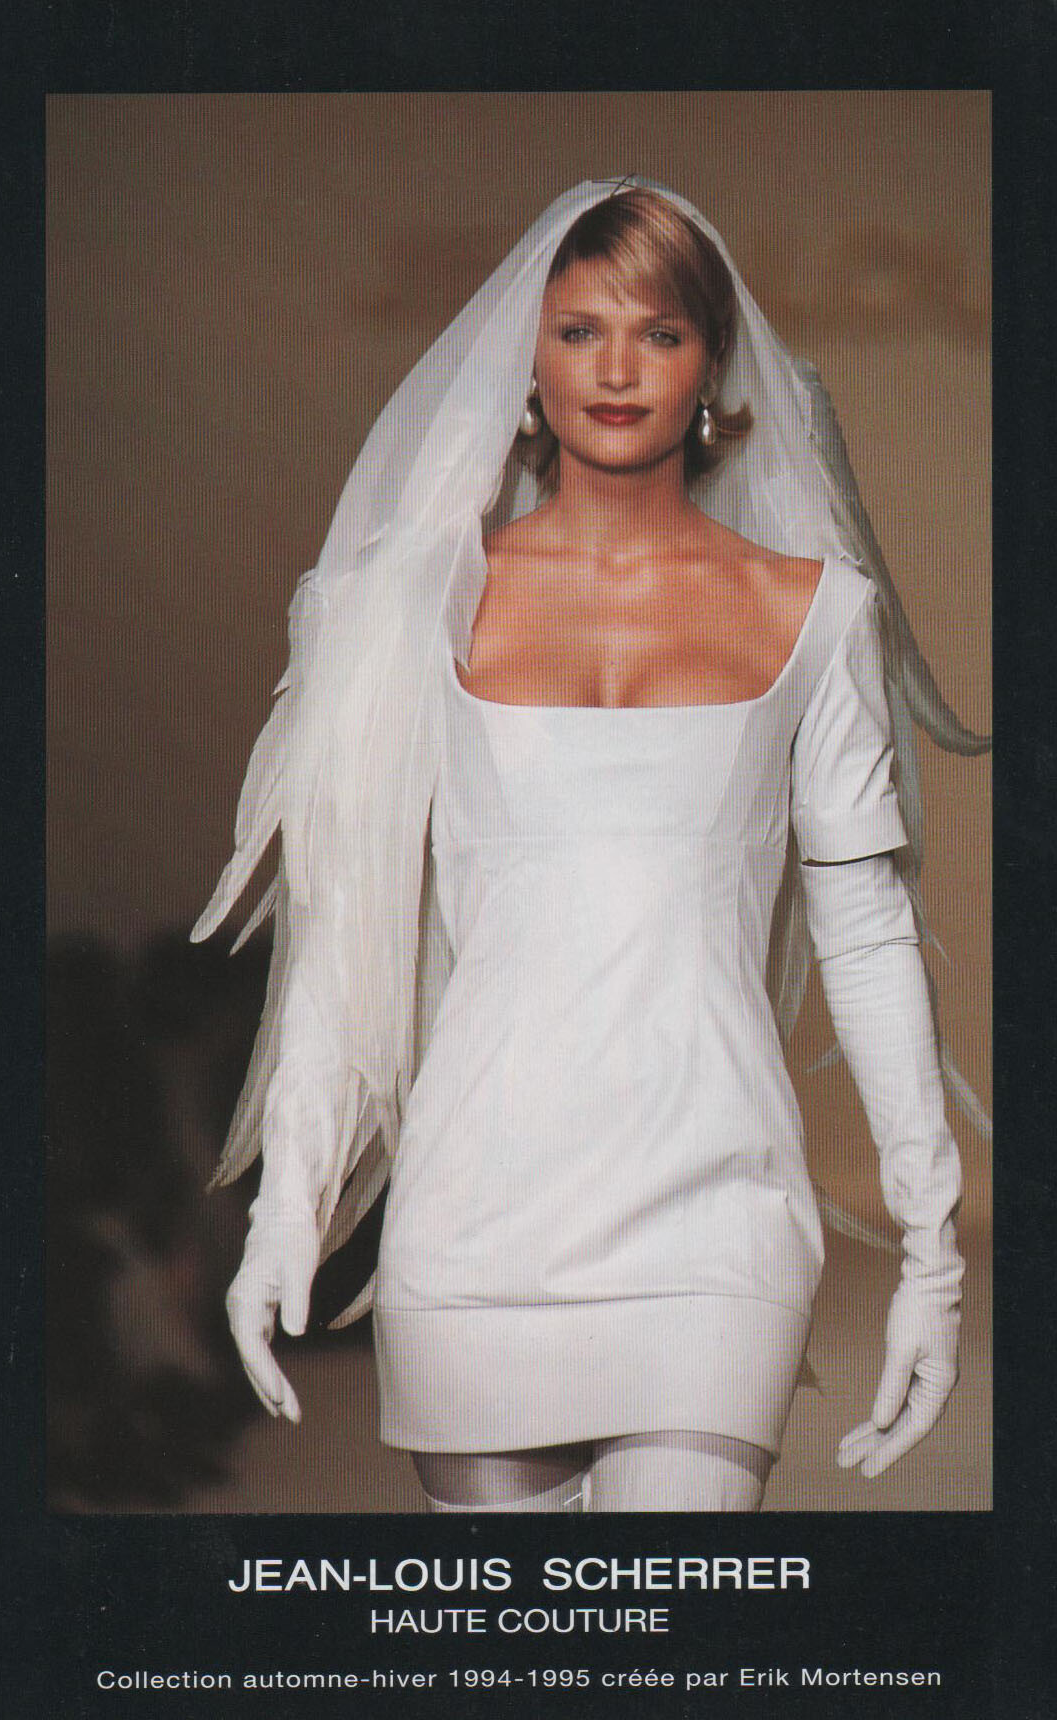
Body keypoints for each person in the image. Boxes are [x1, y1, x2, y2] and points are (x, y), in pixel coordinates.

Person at [191, 179, 989, 1512]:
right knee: (513, 1640)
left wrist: (933, 1258)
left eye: (659, 333)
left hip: (720, 1211)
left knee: (671, 1627)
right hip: (474, 1213)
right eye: (579, 332)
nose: (617, 370)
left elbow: (866, 932)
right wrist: (287, 1211)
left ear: (712, 365)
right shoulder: (405, 608)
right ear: (529, 360)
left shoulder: (820, 615)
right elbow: (346, 930)